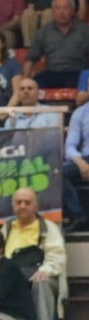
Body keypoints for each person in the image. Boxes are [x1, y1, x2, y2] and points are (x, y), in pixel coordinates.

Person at [0, 186, 67, 320]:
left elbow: (57, 257)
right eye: (18, 202)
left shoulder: (48, 227)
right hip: (13, 278)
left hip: (40, 274)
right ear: (13, 206)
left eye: (27, 202)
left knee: (41, 282)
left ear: (36, 206)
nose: (22, 206)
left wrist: (44, 270)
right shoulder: (6, 229)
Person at [23, 0, 89, 90]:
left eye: (65, 8)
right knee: (34, 85)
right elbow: (30, 58)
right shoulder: (44, 31)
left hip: (78, 72)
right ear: (53, 11)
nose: (61, 12)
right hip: (52, 73)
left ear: (73, 11)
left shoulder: (84, 31)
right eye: (58, 8)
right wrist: (25, 80)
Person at [63, 99, 89, 231]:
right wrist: (80, 163)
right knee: (57, 171)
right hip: (85, 159)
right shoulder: (81, 113)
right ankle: (79, 217)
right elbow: (69, 147)